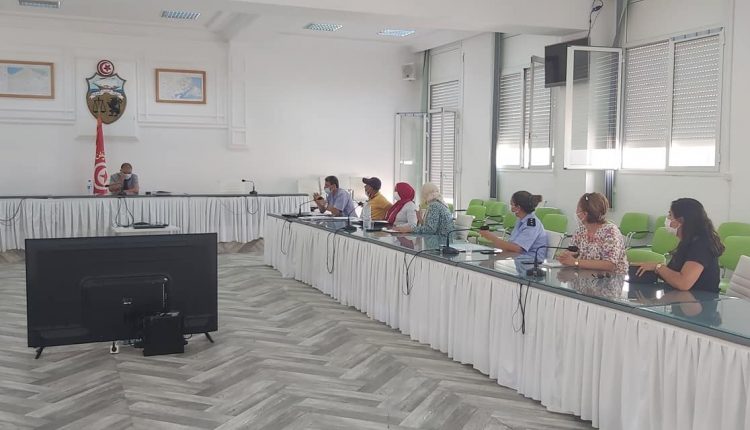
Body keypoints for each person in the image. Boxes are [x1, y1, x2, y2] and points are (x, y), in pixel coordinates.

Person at [635, 198, 723, 292]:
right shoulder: (686, 242)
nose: (667, 219)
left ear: (681, 220)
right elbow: (673, 274)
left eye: (670, 215)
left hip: (701, 298)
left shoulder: (701, 245)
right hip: (680, 297)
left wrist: (658, 267)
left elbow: (683, 283)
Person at [557, 192, 628, 274]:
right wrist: (565, 257)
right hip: (583, 278)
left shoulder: (610, 231)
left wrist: (575, 262)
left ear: (585, 214)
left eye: (578, 209)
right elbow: (573, 252)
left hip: (609, 280)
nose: (576, 213)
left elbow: (610, 264)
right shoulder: (580, 231)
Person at [478, 191, 547, 259]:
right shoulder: (521, 220)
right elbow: (512, 244)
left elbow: (517, 249)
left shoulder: (532, 225)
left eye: (512, 205)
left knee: (490, 261)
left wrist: (492, 237)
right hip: (517, 257)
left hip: (530, 261)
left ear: (518, 207)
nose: (511, 209)